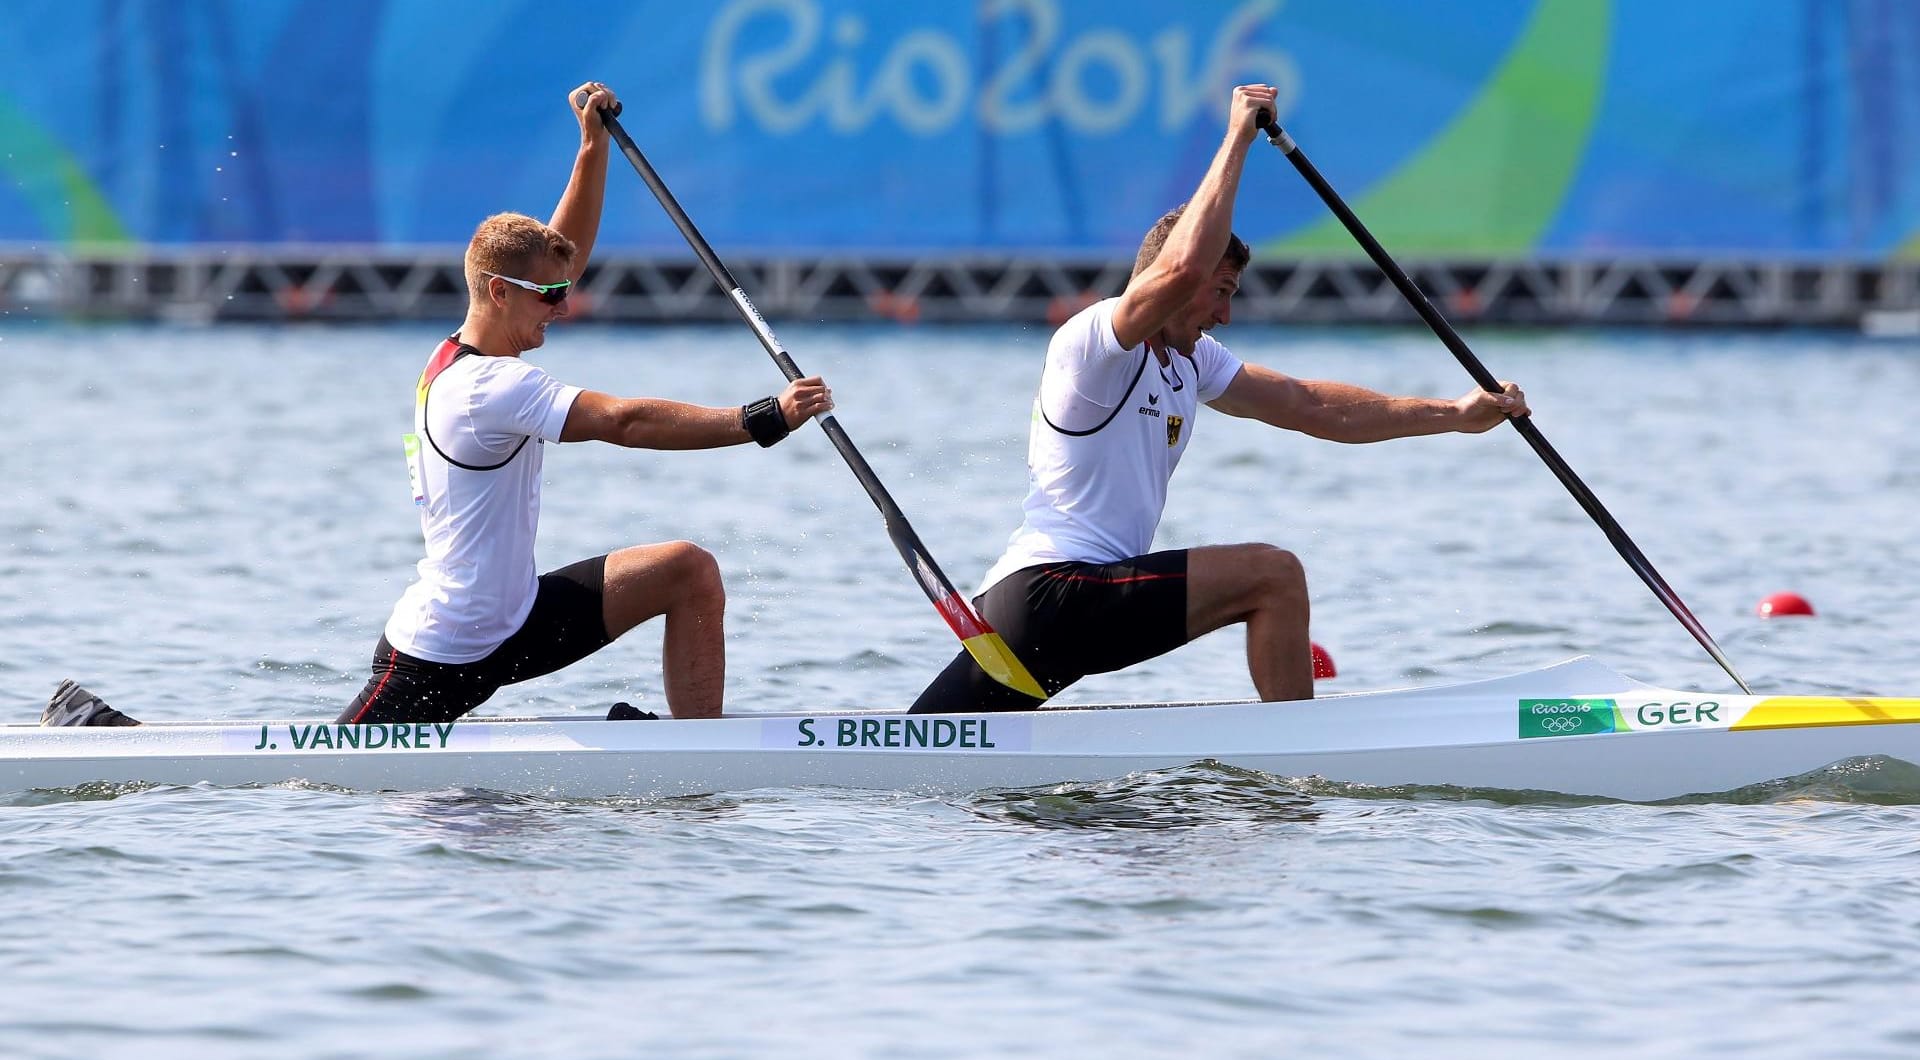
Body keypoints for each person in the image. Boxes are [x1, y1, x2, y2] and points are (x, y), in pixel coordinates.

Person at [42, 81, 833, 728]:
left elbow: (562, 253)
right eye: (548, 298)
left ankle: (698, 755)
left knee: (688, 571)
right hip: (443, 650)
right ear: (499, 291)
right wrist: (761, 418)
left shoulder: (472, 346)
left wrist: (591, 150)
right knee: (304, 784)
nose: (563, 305)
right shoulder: (488, 386)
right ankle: (101, 735)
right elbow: (623, 421)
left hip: (516, 619)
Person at [909, 83, 1529, 714]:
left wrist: (1452, 415)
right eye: (1222, 291)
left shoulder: (1191, 362)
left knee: (920, 750)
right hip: (1052, 592)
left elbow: (1313, 406)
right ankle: (1301, 749)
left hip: (1038, 618)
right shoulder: (1094, 344)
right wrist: (1237, 135)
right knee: (1274, 577)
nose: (1226, 316)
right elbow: (1179, 272)